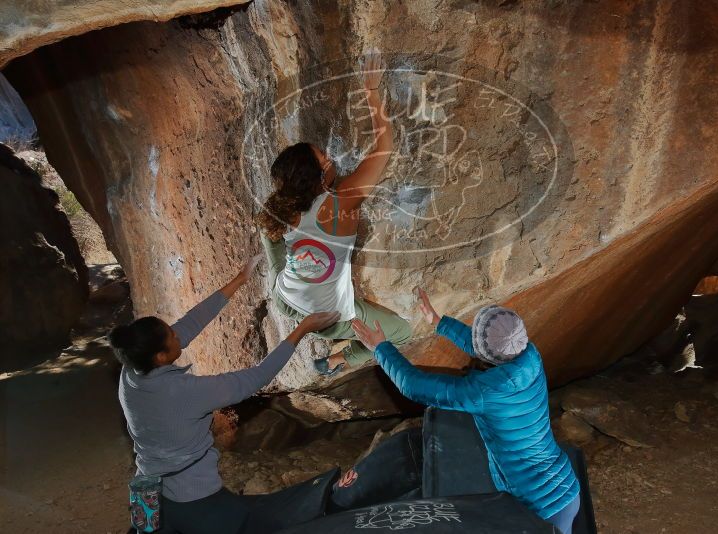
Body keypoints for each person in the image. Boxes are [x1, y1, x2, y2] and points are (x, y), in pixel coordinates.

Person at [110, 254, 340, 533]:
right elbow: (256, 377)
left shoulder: (132, 371)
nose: (178, 335)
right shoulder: (184, 393)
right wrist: (301, 329)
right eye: (172, 336)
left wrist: (239, 281)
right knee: (247, 524)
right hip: (191, 495)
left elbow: (190, 323)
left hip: (146, 487)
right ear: (160, 356)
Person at [352, 287, 581, 534]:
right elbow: (488, 347)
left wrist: (381, 348)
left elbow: (414, 386)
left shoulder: (484, 392)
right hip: (565, 487)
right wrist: (439, 323)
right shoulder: (530, 356)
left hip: (539, 508)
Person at [256, 50, 411, 377]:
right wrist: (370, 91)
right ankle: (343, 358)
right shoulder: (341, 202)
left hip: (285, 297)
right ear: (317, 177)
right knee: (400, 332)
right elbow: (384, 144)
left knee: (271, 233)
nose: (330, 158)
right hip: (329, 319)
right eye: (324, 159)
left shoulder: (282, 204)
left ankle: (286, 278)